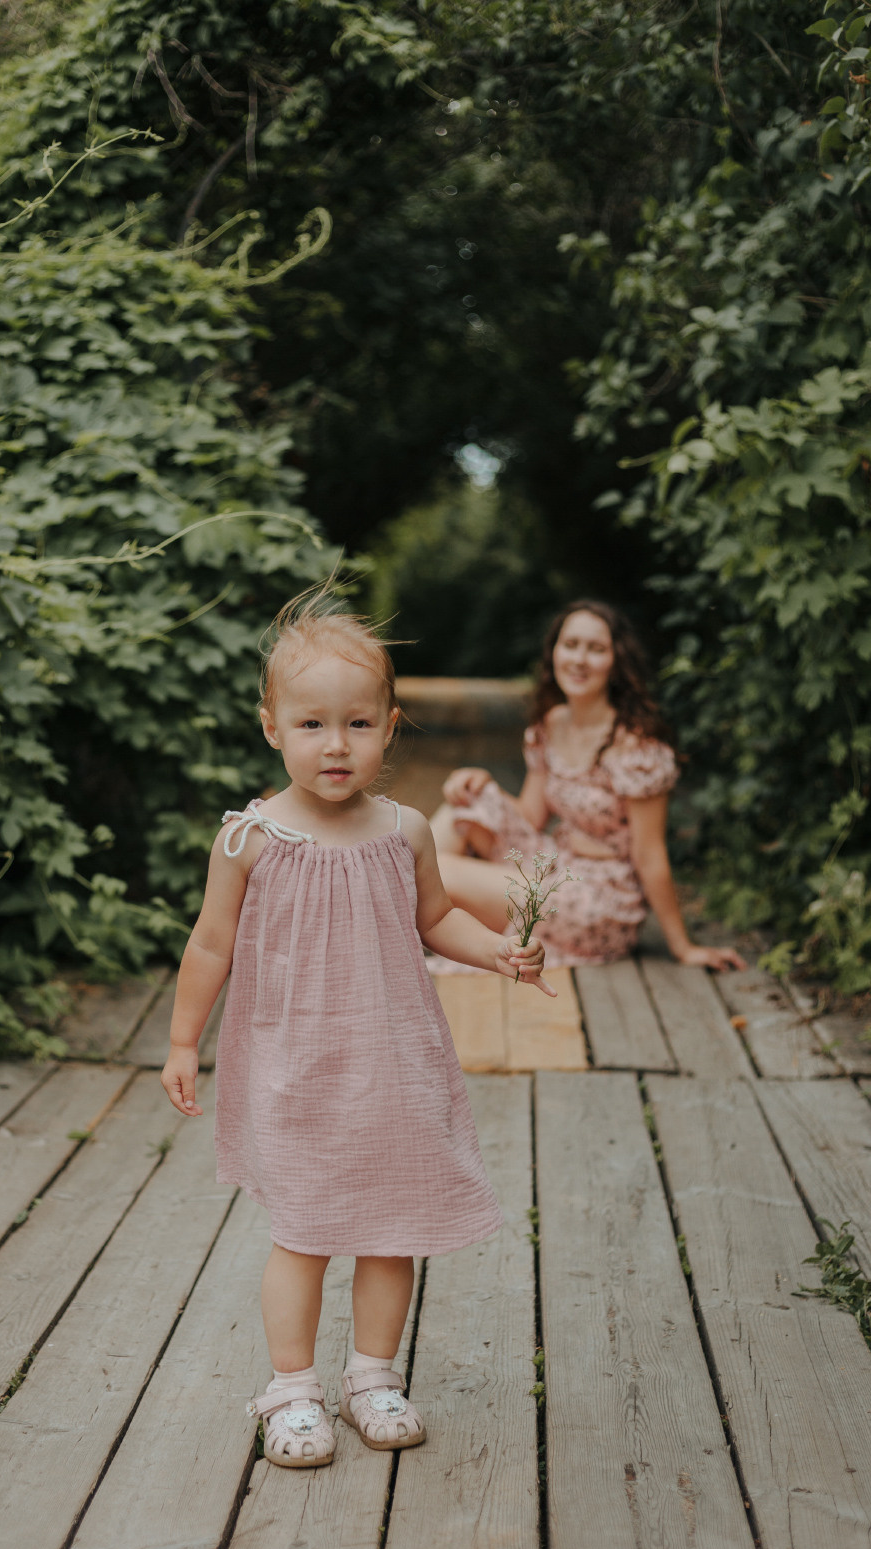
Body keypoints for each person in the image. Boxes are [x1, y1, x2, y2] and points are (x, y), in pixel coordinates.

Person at [159, 591, 547, 1470]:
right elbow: (211, 944)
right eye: (311, 724)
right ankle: (291, 1391)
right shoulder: (249, 839)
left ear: (389, 727)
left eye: (358, 723)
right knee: (302, 1230)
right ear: (272, 728)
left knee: (391, 1230)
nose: (336, 745)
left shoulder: (404, 830)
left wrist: (502, 955)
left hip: (394, 1065)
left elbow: (437, 917)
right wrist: (185, 1040)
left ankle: (372, 1377)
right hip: (296, 1071)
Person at [431, 600, 747, 971]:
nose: (579, 659)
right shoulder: (552, 723)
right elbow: (530, 817)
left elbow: (650, 855)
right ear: (554, 654)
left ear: (616, 663)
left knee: (435, 873)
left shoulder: (635, 747)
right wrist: (482, 783)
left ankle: (372, 923)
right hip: (553, 861)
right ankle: (381, 919)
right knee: (465, 802)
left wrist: (683, 947)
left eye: (595, 649)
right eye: (571, 645)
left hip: (598, 898)